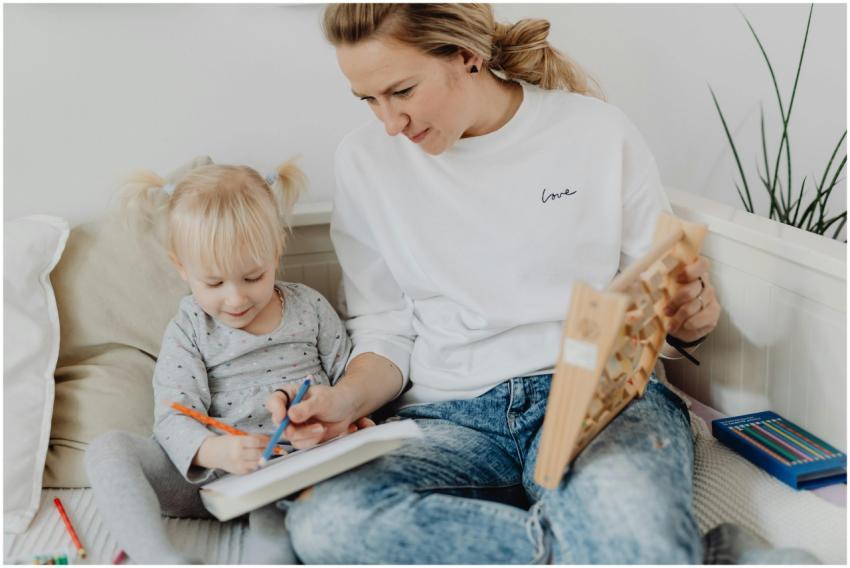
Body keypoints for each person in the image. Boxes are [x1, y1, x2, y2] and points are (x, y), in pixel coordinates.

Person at [85, 161, 370, 564]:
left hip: (287, 469)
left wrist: (353, 420)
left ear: (275, 252)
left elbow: (348, 385)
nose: (236, 300)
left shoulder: (310, 309)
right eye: (214, 283)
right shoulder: (190, 327)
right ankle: (156, 557)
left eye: (252, 277)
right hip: (203, 474)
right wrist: (215, 451)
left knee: (277, 517)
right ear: (182, 267)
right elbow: (173, 415)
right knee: (107, 450)